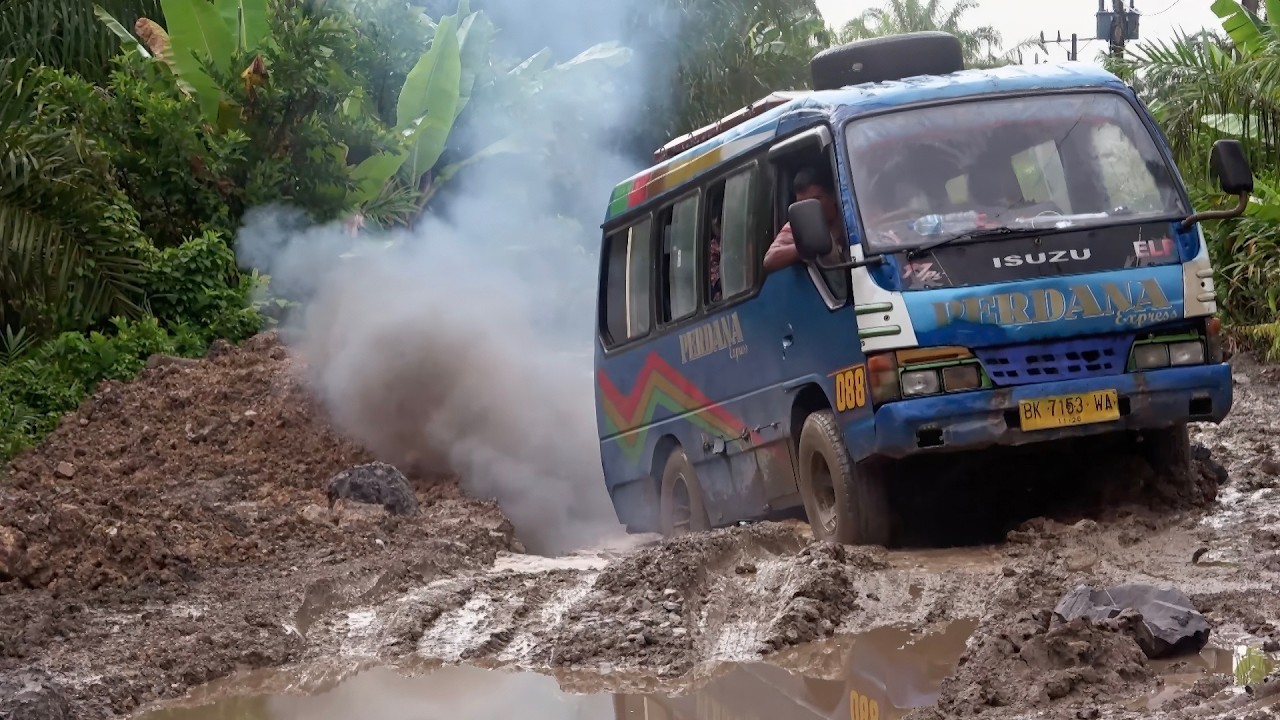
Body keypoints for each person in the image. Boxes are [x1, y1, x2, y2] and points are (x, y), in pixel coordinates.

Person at [763, 167, 845, 273]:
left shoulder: (851, 216)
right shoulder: (799, 225)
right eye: (803, 204)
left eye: (814, 201)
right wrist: (804, 248)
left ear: (833, 196)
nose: (809, 209)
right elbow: (770, 260)